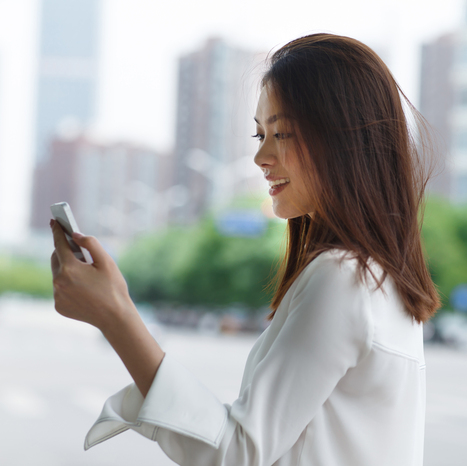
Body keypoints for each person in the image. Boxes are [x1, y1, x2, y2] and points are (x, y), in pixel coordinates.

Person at [50, 33, 441, 466]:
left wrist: (115, 315)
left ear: (344, 140)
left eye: (283, 133)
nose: (262, 157)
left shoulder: (344, 278)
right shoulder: (381, 279)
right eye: (260, 135)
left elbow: (239, 454)